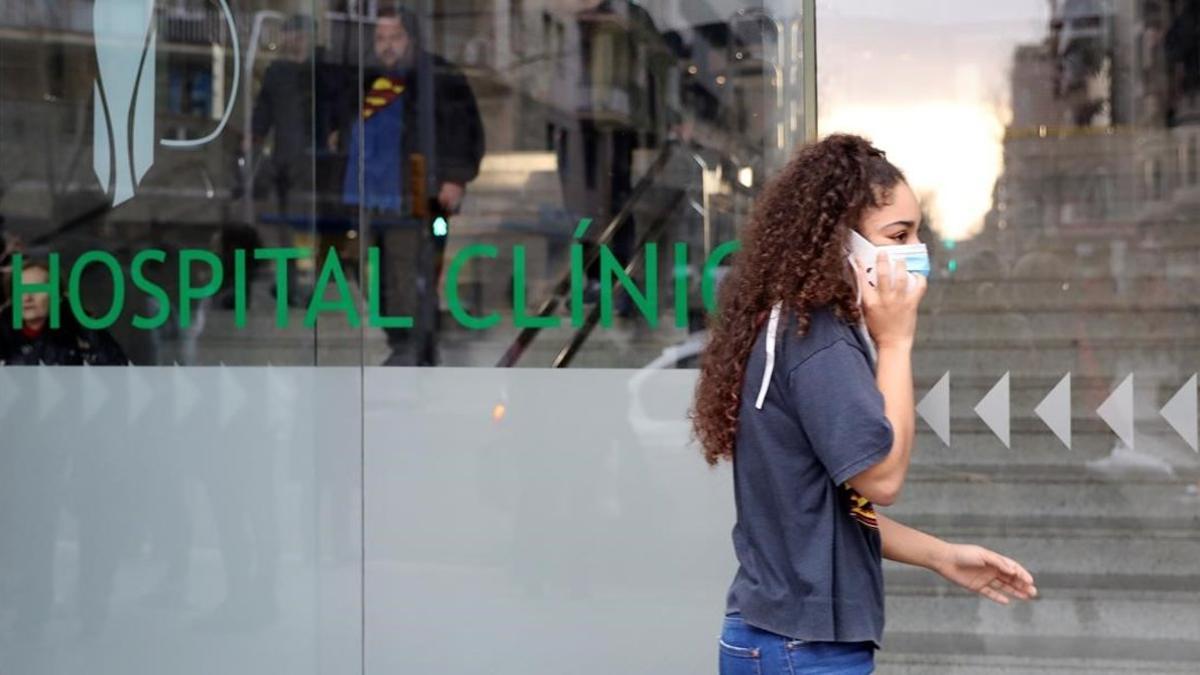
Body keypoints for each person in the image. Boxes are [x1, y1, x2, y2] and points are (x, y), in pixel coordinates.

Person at [691, 135, 1037, 674]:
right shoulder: (819, 340)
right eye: (898, 235)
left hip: (778, 638)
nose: (914, 249)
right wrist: (897, 342)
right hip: (803, 650)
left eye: (917, 232)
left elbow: (823, 515)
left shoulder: (797, 329)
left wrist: (941, 556)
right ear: (840, 243)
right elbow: (881, 481)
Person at [336, 4, 484, 365]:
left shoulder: (438, 75)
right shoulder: (364, 78)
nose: (387, 46)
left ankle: (414, 349)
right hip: (368, 198)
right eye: (380, 38)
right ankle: (405, 343)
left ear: (411, 38)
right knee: (371, 275)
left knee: (410, 274)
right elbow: (345, 126)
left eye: (395, 37)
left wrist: (454, 178)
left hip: (418, 195)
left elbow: (466, 131)